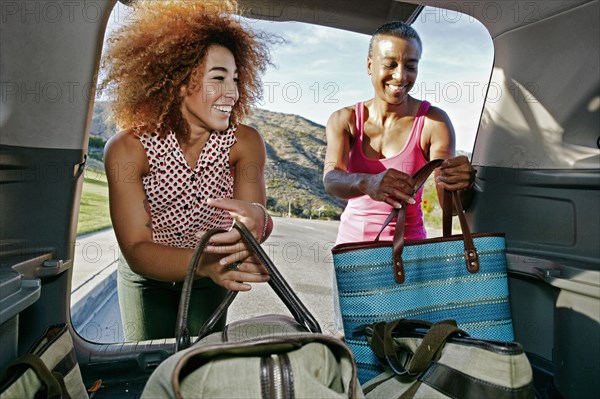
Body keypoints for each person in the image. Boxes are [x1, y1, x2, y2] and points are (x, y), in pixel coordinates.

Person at [100, 0, 275, 341]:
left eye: (236, 79)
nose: (233, 93)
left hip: (212, 278)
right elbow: (136, 248)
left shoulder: (245, 143)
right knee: (150, 364)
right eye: (218, 78)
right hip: (148, 280)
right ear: (180, 81)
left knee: (199, 363)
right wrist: (204, 262)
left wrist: (259, 222)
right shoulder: (128, 149)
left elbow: (256, 222)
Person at [323, 20, 476, 336]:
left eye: (411, 65)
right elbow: (331, 178)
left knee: (406, 345)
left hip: (410, 253)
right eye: (390, 64)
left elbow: (449, 202)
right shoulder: (344, 120)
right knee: (358, 344)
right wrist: (369, 183)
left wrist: (460, 182)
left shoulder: (434, 122)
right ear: (369, 65)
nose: (401, 76)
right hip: (353, 253)